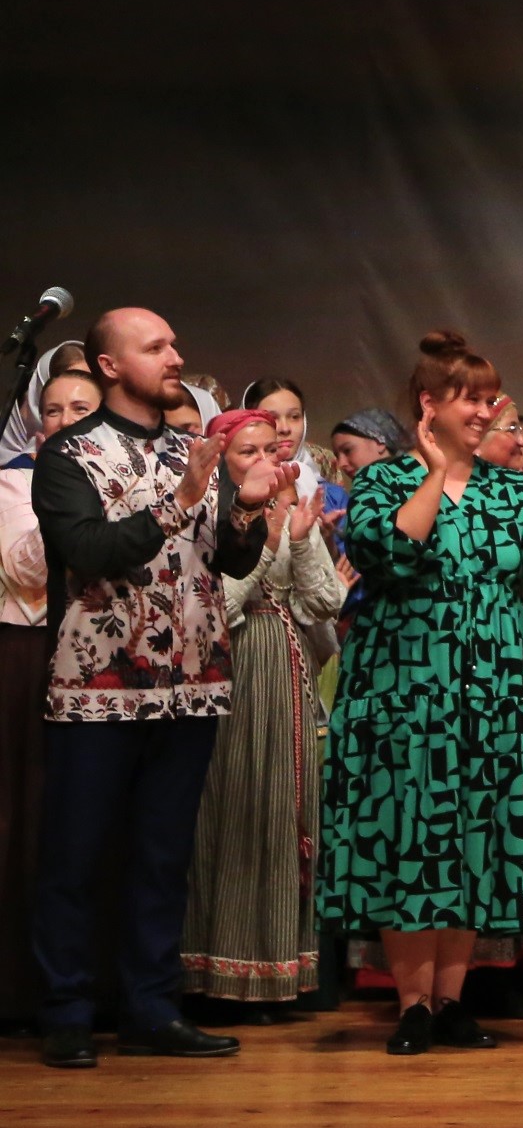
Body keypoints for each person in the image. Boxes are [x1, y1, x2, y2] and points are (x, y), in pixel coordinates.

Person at [323, 331, 523, 1057]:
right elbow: (390, 551)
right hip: (407, 687)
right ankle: (411, 1006)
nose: (484, 412)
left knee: (475, 834)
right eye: (470, 399)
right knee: (414, 833)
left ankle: (449, 1002)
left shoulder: (508, 487)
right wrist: (436, 474)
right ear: (429, 404)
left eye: (489, 399)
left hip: (494, 685)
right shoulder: (384, 480)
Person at [30, 310, 284, 1069]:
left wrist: (246, 506)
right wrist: (179, 500)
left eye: (174, 343)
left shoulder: (189, 449)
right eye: (156, 347)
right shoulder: (68, 453)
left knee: (163, 857)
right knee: (76, 858)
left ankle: (151, 1007)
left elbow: (229, 562)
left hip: (191, 684)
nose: (175, 356)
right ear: (110, 366)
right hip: (98, 688)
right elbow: (86, 550)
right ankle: (67, 1012)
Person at [179, 409, 344, 1017]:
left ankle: (277, 971)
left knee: (283, 811)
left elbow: (326, 601)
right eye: (247, 452)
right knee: (233, 811)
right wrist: (268, 542)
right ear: (222, 461)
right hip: (230, 668)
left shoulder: (289, 506)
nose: (264, 462)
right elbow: (217, 607)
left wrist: (299, 539)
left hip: (284, 667)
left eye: (271, 450)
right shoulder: (212, 517)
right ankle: (218, 972)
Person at [1, 344, 96, 1027]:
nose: (64, 420)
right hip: (29, 656)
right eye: (53, 410)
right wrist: (57, 493)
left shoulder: (132, 476)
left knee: (92, 823)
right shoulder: (13, 484)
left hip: (106, 661)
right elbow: (26, 571)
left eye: (80, 409)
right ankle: (23, 987)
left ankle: (99, 987)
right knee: (27, 814)